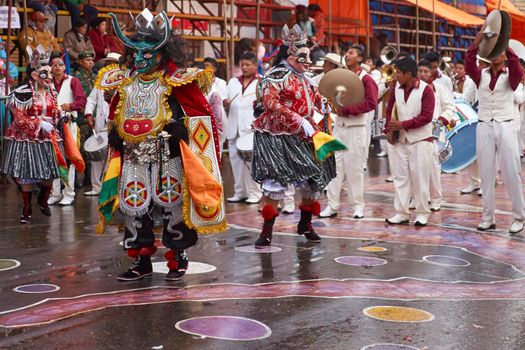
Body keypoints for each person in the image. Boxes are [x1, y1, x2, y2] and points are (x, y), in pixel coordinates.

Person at [96, 9, 225, 281]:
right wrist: (114, 133)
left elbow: (200, 117)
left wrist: (182, 131)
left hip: (168, 155)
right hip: (133, 156)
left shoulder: (178, 82)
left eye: (148, 54)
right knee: (134, 207)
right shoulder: (126, 83)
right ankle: (140, 260)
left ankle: (177, 258)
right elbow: (116, 113)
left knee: (172, 206)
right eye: (136, 54)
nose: (141, 59)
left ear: (162, 54)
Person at [251, 24, 335, 247]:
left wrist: (324, 104)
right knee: (275, 183)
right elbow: (270, 103)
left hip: (304, 134)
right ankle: (266, 230)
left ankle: (305, 224)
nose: (308, 61)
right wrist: (297, 120)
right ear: (290, 55)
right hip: (277, 135)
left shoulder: (306, 78)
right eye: (303, 56)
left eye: (308, 56)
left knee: (313, 179)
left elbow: (314, 97)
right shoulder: (276, 76)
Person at [466, 31, 525, 234]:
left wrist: (503, 43)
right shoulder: (479, 75)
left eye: (500, 52)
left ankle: (519, 217)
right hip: (484, 125)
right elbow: (468, 63)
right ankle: (487, 217)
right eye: (494, 52)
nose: (497, 54)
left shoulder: (512, 75)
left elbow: (516, 65)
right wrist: (478, 41)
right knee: (486, 173)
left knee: (511, 172)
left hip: (506, 124)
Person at [1, 47, 60, 223]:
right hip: (27, 138)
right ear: (34, 76)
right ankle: (26, 208)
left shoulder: (51, 92)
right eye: (45, 73)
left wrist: (63, 117)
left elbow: (55, 111)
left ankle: (42, 200)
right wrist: (40, 123)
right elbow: (19, 119)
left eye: (50, 73)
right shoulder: (22, 93)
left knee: (50, 173)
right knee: (26, 174)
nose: (50, 76)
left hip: (48, 138)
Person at [320, 45, 378, 219]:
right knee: (334, 168)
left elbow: (371, 103)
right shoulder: (340, 76)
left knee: (354, 170)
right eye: (346, 53)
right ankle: (332, 205)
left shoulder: (366, 78)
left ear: (360, 58)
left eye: (351, 53)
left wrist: (347, 110)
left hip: (356, 128)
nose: (347, 55)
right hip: (339, 127)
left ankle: (358, 206)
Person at [385, 57, 435, 226]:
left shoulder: (426, 90)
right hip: (401, 140)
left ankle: (422, 213)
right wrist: (389, 130)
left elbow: (426, 117)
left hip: (420, 140)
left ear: (408, 74)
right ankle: (401, 213)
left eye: (398, 72)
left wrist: (402, 124)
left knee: (420, 178)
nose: (395, 75)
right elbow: (390, 109)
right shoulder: (397, 89)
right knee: (400, 178)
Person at [47, 52, 87, 206]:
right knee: (53, 158)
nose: (57, 67)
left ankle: (69, 192)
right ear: (50, 66)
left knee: (69, 158)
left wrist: (70, 106)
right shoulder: (47, 82)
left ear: (65, 66)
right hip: (51, 125)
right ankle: (55, 192)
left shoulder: (73, 81)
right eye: (55, 64)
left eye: (60, 64)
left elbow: (81, 100)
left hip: (68, 125)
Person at [417, 59, 457, 211]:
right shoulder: (412, 89)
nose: (422, 74)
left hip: (434, 132)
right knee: (417, 167)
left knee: (433, 167)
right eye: (420, 71)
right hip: (416, 132)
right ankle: (420, 198)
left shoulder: (439, 88)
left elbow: (450, 106)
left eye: (426, 71)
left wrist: (441, 120)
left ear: (431, 72)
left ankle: (436, 199)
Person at [224, 51, 263, 204]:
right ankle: (240, 192)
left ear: (255, 65)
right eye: (242, 65)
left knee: (252, 162)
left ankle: (255, 193)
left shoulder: (261, 82)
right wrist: (224, 102)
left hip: (251, 127)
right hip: (234, 126)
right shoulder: (233, 82)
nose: (244, 68)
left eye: (248, 65)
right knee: (236, 161)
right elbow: (224, 97)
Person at [83, 53, 121, 196]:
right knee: (97, 155)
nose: (109, 65)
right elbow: (91, 99)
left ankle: (113, 187)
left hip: (115, 123)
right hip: (100, 124)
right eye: (108, 63)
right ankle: (96, 187)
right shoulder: (100, 81)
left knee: (115, 155)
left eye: (113, 62)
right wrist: (88, 114)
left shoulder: (123, 81)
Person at [203, 57, 228, 149]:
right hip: (205, 116)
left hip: (218, 117)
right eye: (204, 66)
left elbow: (221, 99)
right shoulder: (200, 82)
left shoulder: (221, 83)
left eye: (207, 66)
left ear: (214, 69)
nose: (205, 68)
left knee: (218, 146)